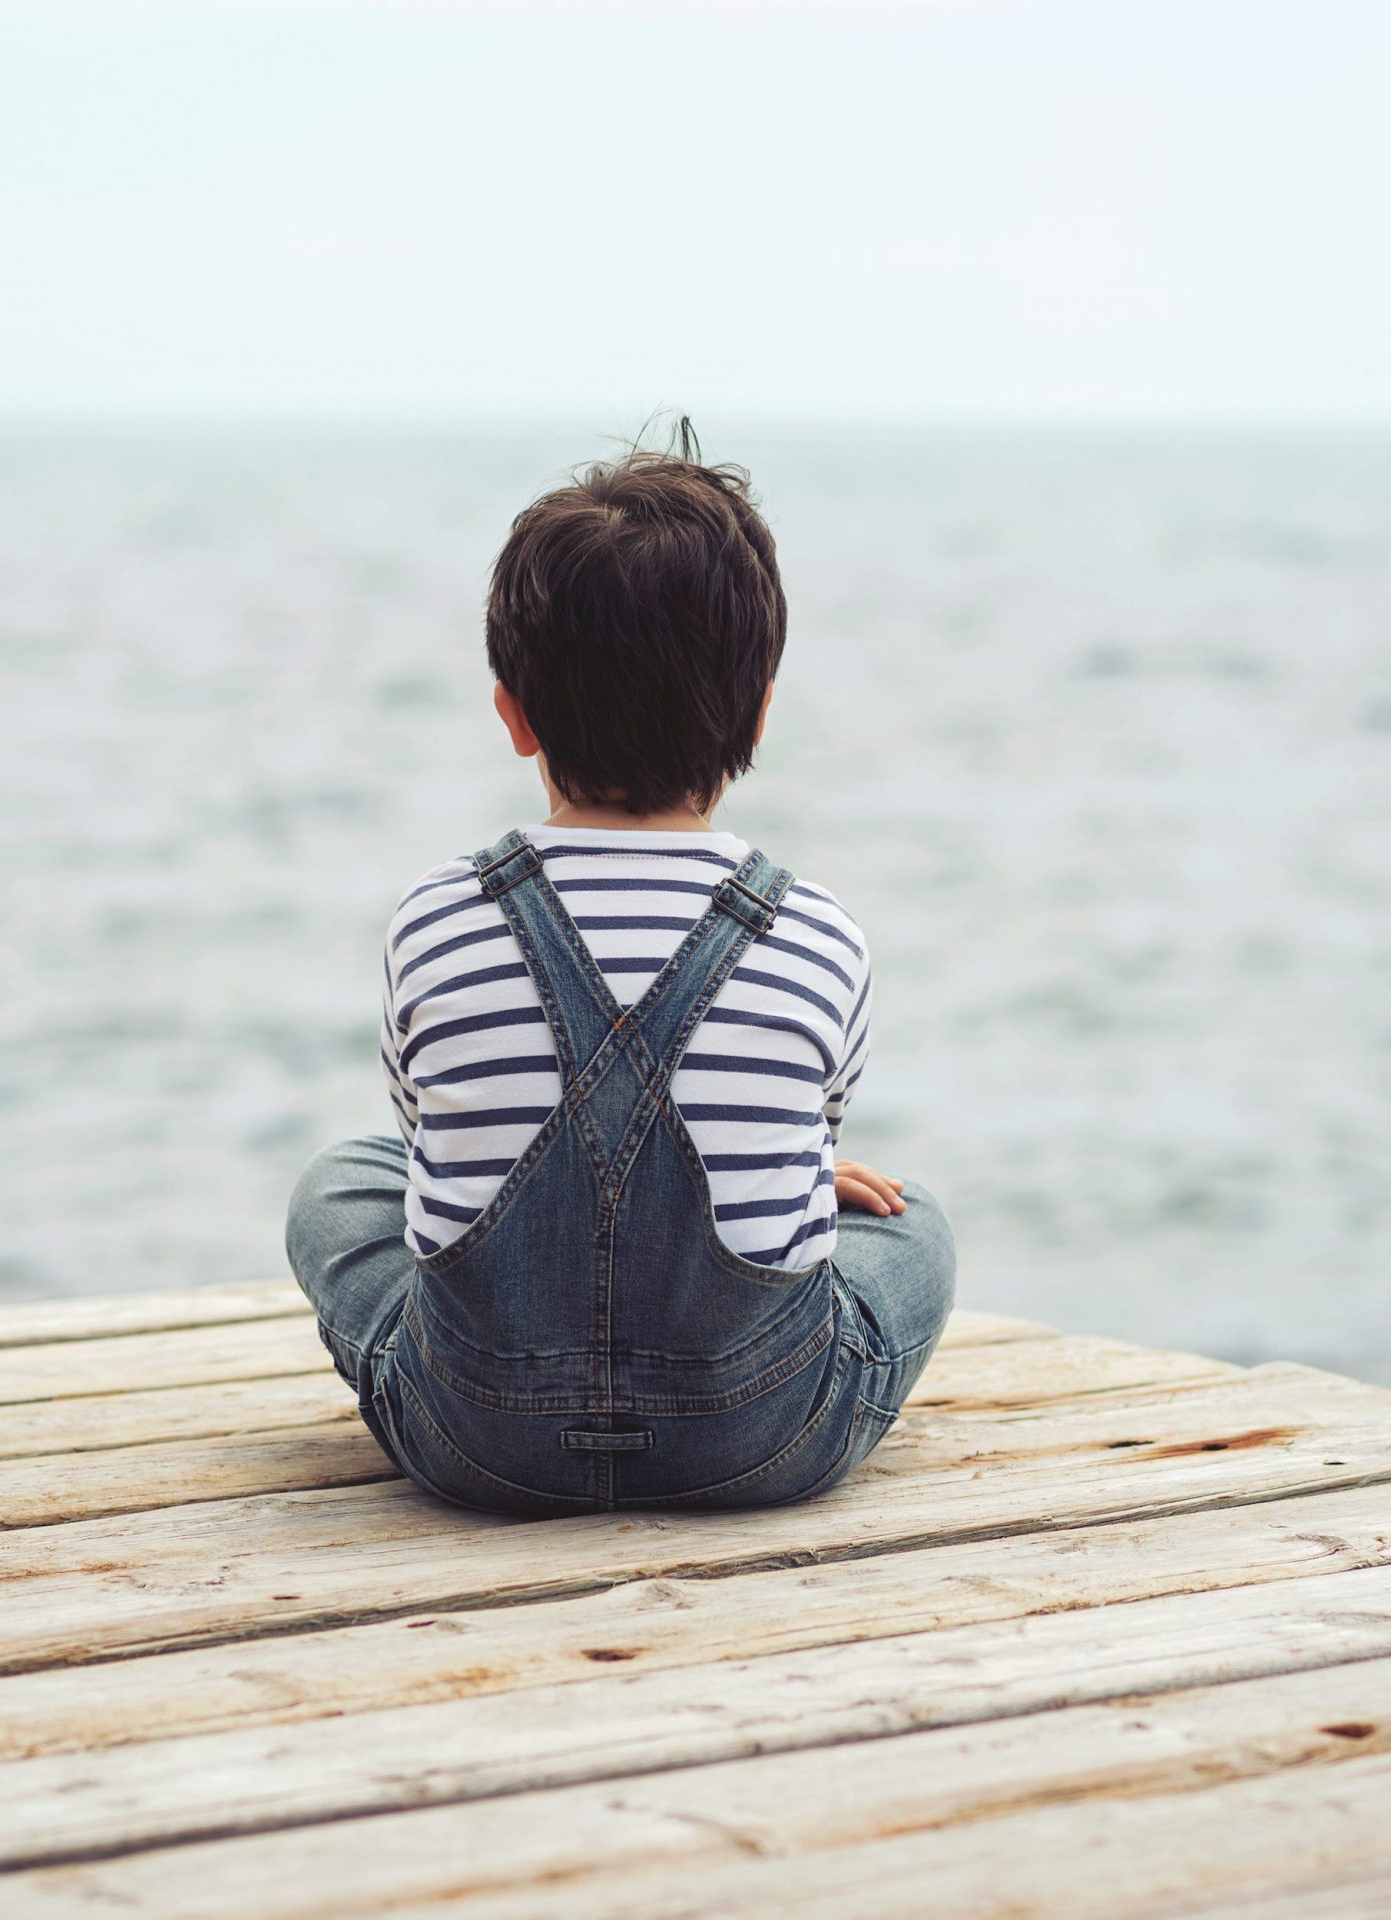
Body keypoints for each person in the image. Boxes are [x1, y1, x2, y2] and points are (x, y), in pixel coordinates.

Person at [284, 430, 955, 1516]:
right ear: (759, 714)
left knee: (340, 1183)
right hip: (761, 1439)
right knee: (913, 1224)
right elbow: (810, 1131)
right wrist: (783, 1177)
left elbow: (433, 1152)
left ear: (512, 711)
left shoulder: (435, 915)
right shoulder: (819, 932)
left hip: (478, 1441)